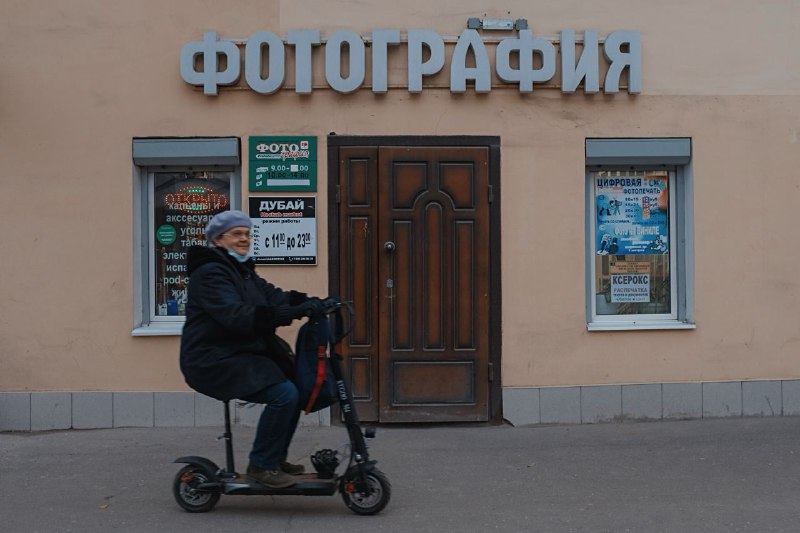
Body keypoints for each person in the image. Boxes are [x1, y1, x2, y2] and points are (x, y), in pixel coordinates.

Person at [179, 210, 322, 488]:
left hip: (237, 353)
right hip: (211, 359)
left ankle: (274, 458)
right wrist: (285, 314)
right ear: (219, 240)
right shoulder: (210, 273)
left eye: (247, 234)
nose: (245, 239)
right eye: (237, 234)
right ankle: (262, 465)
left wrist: (309, 301)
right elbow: (237, 315)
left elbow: (273, 296)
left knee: (295, 386)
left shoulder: (241, 271)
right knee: (284, 394)